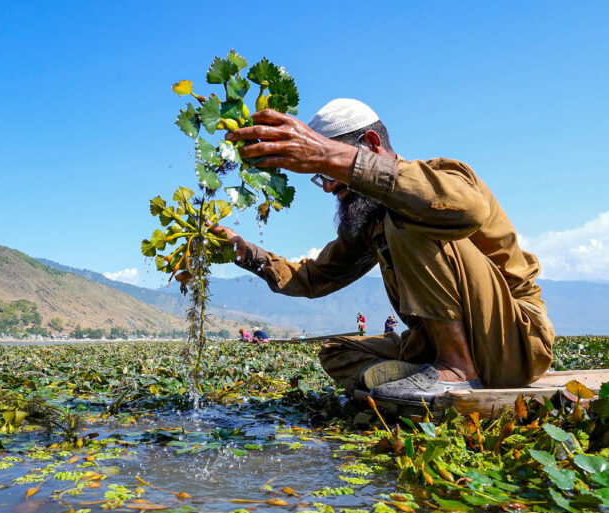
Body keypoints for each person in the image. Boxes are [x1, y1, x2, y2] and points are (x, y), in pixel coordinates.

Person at [211, 99, 554, 404]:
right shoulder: (369, 220)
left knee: (406, 214)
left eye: (329, 172)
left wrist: (332, 157)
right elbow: (316, 278)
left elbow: (470, 209)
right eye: (320, 175)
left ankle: (457, 367)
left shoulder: (441, 177)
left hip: (513, 343)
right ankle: (435, 368)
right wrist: (244, 252)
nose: (329, 186)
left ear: (371, 144)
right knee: (338, 353)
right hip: (428, 344)